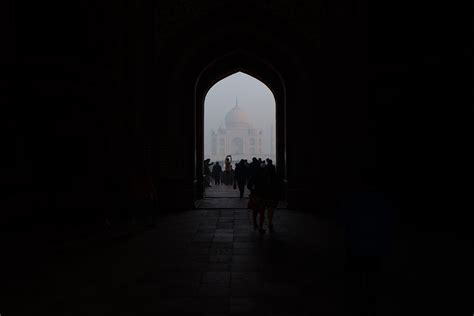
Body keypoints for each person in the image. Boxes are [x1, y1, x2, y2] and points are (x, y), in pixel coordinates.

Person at [262, 159, 281, 233]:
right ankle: (270, 222)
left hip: (265, 195)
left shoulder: (264, 177)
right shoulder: (275, 177)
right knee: (271, 210)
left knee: (263, 209)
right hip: (272, 195)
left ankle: (262, 224)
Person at [247, 161, 266, 233]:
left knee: (255, 211)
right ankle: (260, 226)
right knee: (262, 212)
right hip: (262, 195)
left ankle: (255, 224)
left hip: (255, 195)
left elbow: (249, 186)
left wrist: (253, 190)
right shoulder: (264, 176)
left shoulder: (254, 176)